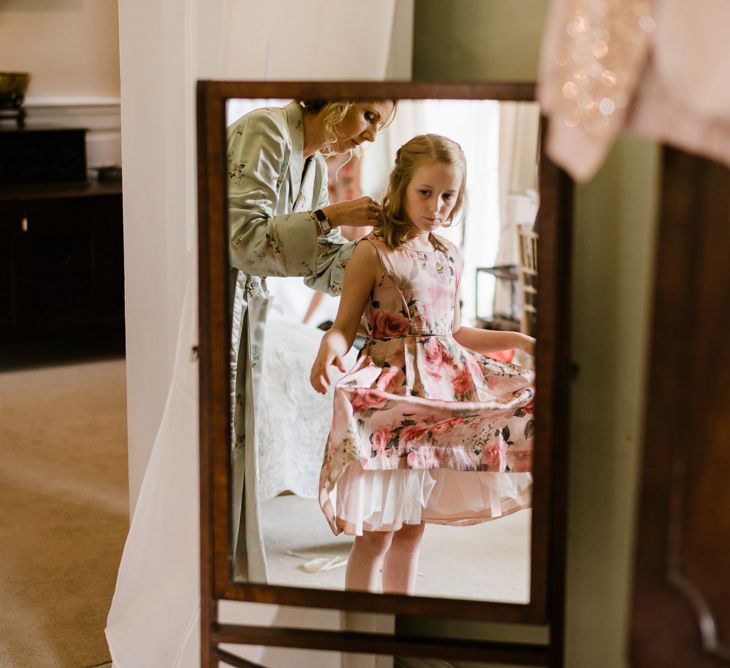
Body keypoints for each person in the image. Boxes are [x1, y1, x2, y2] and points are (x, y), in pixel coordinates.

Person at [309, 134, 535, 595]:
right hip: (392, 400)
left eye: (448, 195)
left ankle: (397, 620)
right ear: (402, 187)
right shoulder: (371, 253)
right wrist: (329, 346)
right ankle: (360, 631)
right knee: (378, 534)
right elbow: (344, 325)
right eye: (425, 192)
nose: (436, 206)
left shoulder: (449, 255)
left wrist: (520, 338)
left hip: (438, 398)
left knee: (412, 530)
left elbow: (452, 332)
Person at [227, 98, 395, 580]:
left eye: (379, 126)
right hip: (211, 299)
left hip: (249, 308)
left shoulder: (311, 167)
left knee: (237, 435)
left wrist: (384, 265)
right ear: (339, 97)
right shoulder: (266, 131)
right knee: (215, 433)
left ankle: (230, 568)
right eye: (368, 117)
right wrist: (331, 214)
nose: (369, 136)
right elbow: (241, 240)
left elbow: (317, 260)